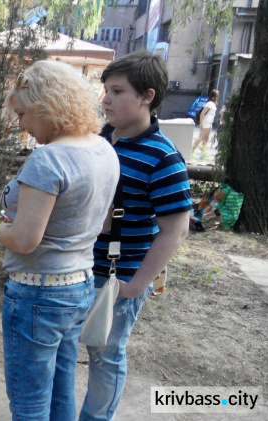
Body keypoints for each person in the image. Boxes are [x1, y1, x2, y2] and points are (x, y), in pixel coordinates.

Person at [0, 60, 120, 420]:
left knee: (29, 402)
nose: (21, 124)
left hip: (38, 294)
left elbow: (23, 240)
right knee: (61, 391)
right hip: (78, 286)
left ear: (43, 105)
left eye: (22, 114)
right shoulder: (103, 149)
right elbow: (102, 224)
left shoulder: (49, 159)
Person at [80, 50, 191, 421]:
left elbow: (175, 229)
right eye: (105, 90)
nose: (105, 99)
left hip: (117, 277)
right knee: (69, 348)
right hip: (77, 269)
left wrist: (136, 284)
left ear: (147, 96)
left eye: (116, 91)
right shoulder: (101, 139)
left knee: (106, 355)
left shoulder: (164, 158)